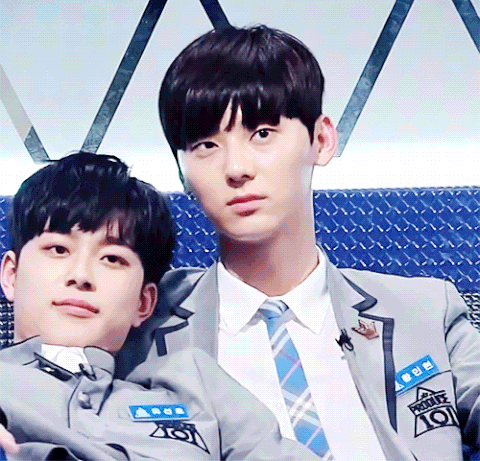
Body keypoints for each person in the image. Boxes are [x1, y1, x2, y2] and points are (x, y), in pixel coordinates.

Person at [119, 25, 480, 460]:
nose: (236, 168)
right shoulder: (133, 324)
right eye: (206, 144)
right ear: (181, 172)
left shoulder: (426, 312)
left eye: (262, 133)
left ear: (321, 140)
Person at [0, 152, 318, 460]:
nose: (81, 276)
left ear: (144, 302)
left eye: (112, 258)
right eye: (58, 249)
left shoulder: (193, 389)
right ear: (11, 275)